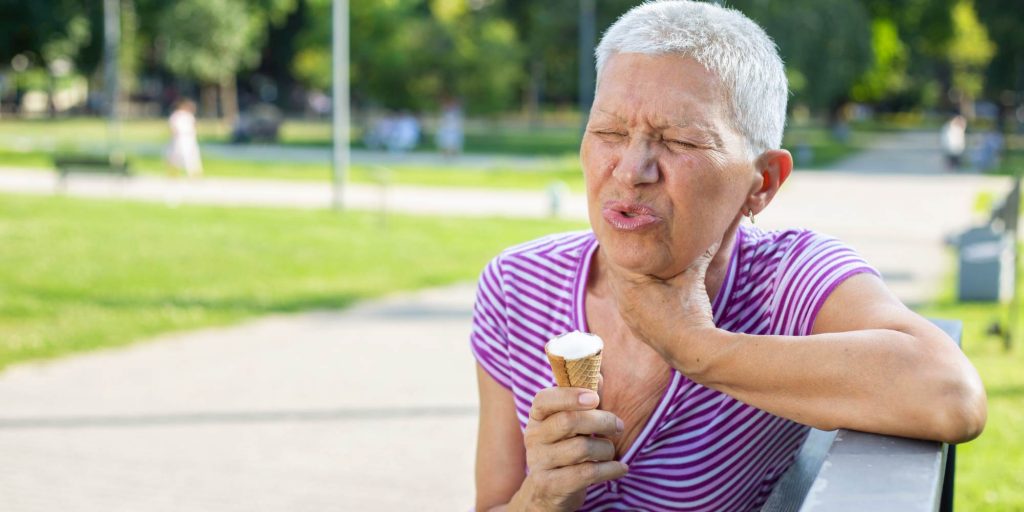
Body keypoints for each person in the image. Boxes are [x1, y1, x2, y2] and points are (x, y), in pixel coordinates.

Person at [470, 2, 987, 511]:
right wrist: (541, 499)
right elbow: (493, 503)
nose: (631, 170)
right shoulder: (518, 284)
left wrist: (692, 345)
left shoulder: (784, 281)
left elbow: (951, 395)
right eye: (609, 132)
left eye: (679, 140)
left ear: (762, 183)